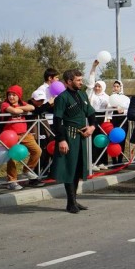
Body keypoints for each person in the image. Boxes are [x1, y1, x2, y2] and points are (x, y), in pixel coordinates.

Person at [51, 69, 96, 213]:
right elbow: (57, 121)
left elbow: (91, 113)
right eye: (78, 80)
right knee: (69, 169)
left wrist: (92, 127)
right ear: (69, 82)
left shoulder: (82, 94)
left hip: (82, 137)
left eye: (81, 80)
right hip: (69, 137)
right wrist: (61, 140)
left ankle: (74, 200)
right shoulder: (62, 98)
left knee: (77, 169)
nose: (81, 82)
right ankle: (70, 203)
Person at [0, 85, 42, 190]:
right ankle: (12, 181)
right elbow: (14, 112)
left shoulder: (22, 103)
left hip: (24, 133)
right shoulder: (4, 104)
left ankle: (27, 170)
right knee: (12, 158)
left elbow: (32, 107)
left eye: (14, 95)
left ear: (19, 96)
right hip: (10, 135)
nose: (11, 97)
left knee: (37, 151)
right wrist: (19, 109)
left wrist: (19, 108)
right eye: (9, 95)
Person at [87, 61, 110, 171]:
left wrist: (108, 120)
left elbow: (109, 109)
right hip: (92, 117)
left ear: (103, 87)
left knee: (102, 139)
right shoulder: (91, 93)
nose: (96, 88)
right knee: (92, 140)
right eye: (96, 86)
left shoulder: (106, 96)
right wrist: (93, 67)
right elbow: (91, 80)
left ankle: (102, 161)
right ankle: (92, 162)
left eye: (99, 86)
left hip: (102, 119)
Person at [107, 80, 130, 166]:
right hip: (113, 120)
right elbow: (107, 110)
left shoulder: (125, 98)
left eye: (117, 86)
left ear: (121, 87)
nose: (116, 88)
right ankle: (114, 159)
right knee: (112, 139)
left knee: (121, 139)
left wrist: (123, 110)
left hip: (123, 120)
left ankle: (120, 159)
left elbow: (129, 109)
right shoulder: (110, 98)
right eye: (114, 86)